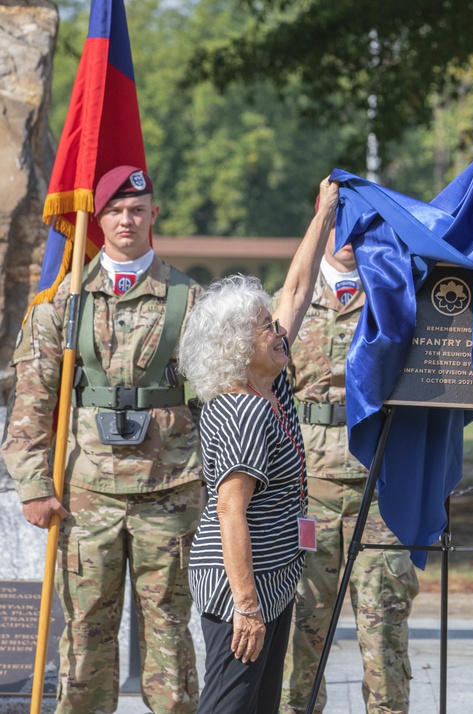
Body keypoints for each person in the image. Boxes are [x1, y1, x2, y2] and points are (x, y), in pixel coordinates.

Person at [1, 166, 203, 713]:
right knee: (86, 631)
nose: (126, 220)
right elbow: (32, 408)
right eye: (114, 210)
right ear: (97, 220)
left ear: (153, 216)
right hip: (86, 495)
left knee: (169, 631)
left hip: (172, 492)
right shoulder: (62, 304)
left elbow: (217, 403)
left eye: (137, 209)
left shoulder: (191, 302)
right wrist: (34, 486)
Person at [178, 177, 338, 714]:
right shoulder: (243, 407)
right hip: (239, 591)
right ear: (236, 348)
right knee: (229, 704)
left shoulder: (271, 385)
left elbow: (296, 290)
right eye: (265, 327)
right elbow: (229, 510)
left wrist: (323, 216)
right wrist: (246, 606)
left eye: (273, 323)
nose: (279, 330)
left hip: (270, 580)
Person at [279, 236, 419, 714]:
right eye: (338, 223)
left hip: (380, 484)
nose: (349, 237)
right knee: (301, 621)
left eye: (361, 224)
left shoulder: (395, 294)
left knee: (384, 625)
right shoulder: (292, 297)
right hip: (306, 487)